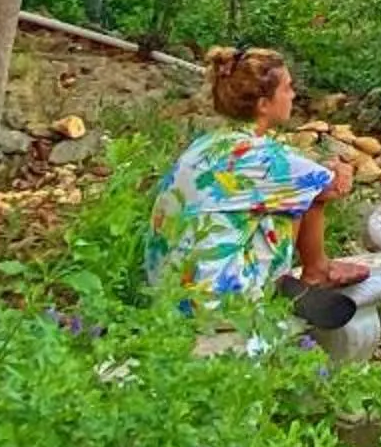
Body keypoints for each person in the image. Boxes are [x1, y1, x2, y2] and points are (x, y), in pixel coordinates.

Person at [142, 46, 368, 329]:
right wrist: (342, 170)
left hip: (164, 289)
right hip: (212, 302)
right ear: (263, 104)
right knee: (304, 196)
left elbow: (293, 173)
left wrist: (319, 173)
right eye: (287, 88)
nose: (293, 95)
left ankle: (295, 276)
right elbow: (328, 188)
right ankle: (314, 271)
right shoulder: (267, 158)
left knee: (289, 193)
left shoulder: (208, 143)